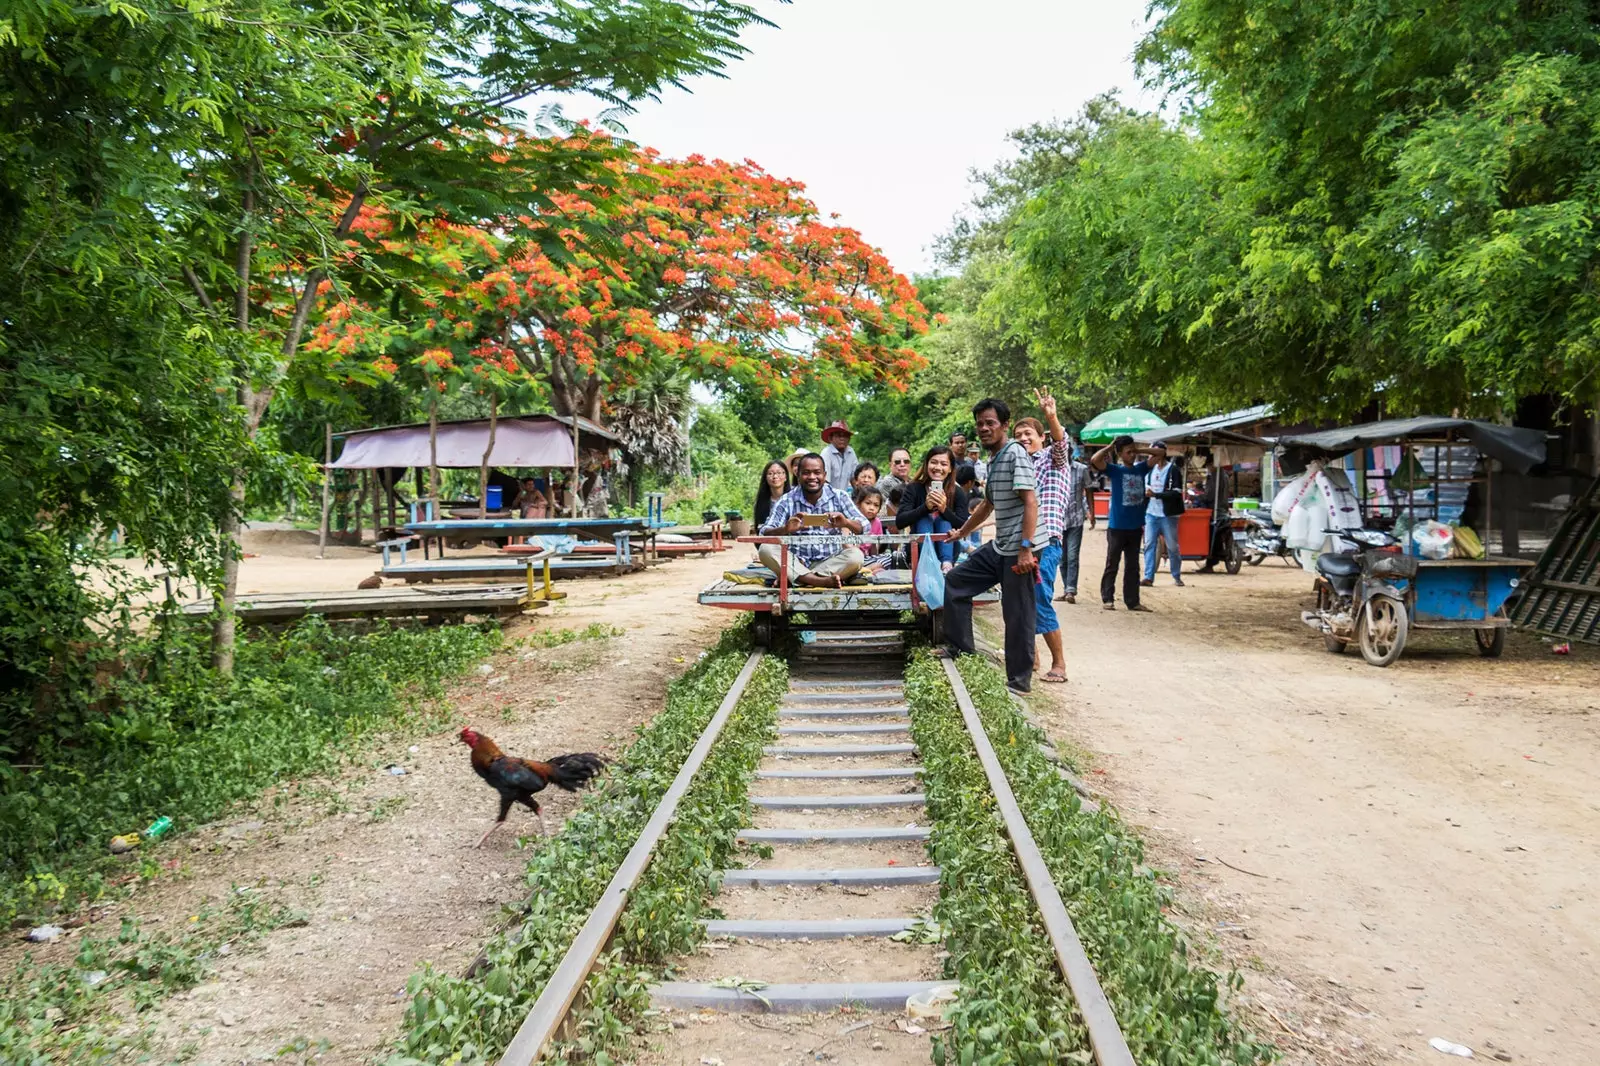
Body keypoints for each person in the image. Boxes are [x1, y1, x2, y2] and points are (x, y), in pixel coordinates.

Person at [941, 398, 1039, 694]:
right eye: (980, 424)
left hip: (1019, 548)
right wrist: (962, 532)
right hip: (1000, 546)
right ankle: (961, 651)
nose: (984, 429)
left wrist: (1026, 548)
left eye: (990, 423)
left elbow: (1030, 501)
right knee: (957, 581)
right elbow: (988, 504)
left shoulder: (1015, 454)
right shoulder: (994, 459)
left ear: (1005, 425)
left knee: (1017, 613)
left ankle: (1019, 682)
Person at [1012, 389, 1070, 684]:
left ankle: (1059, 664)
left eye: (1028, 433)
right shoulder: (1016, 466)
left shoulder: (1052, 459)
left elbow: (1061, 442)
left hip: (1046, 543)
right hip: (1019, 543)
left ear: (1041, 437)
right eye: (1018, 435)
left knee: (1040, 597)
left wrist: (1051, 415)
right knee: (1020, 597)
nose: (1023, 438)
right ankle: (1031, 656)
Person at [758, 453, 866, 587]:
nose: (812, 477)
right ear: (797, 475)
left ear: (824, 475)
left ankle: (797, 578)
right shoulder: (787, 500)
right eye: (806, 473)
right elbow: (764, 532)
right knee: (765, 549)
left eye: (817, 472)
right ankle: (818, 581)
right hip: (797, 561)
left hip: (831, 561)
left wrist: (846, 523)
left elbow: (864, 526)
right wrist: (785, 529)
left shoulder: (839, 496)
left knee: (856, 556)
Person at [1090, 435, 1155, 611]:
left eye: (1133, 451)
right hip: (1117, 527)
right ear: (1120, 454)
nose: (1132, 455)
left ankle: (1132, 601)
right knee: (1112, 563)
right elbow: (1095, 459)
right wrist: (1110, 446)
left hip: (1135, 527)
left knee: (1133, 566)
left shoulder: (1141, 469)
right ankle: (1107, 598)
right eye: (1128, 452)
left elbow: (1160, 453)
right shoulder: (1114, 470)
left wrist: (1140, 449)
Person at [895, 445, 971, 571]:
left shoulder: (957, 492)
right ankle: (931, 561)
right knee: (924, 519)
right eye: (934, 462)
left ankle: (946, 564)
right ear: (926, 465)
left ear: (950, 468)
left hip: (949, 551)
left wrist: (944, 509)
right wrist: (925, 507)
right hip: (919, 552)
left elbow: (964, 525)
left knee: (944, 521)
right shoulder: (914, 488)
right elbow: (900, 521)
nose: (938, 468)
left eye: (943, 464)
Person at [1140, 442, 1185, 587]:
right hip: (1151, 513)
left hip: (1168, 514)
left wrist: (1157, 495)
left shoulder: (1173, 470)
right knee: (1149, 544)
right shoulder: (1149, 470)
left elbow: (1177, 492)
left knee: (1172, 546)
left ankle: (1176, 575)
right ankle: (1148, 576)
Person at [1056, 445, 1095, 603]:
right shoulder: (1055, 469)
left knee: (1072, 556)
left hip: (1076, 518)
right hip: (1058, 519)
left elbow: (1089, 490)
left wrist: (1092, 513)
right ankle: (1067, 589)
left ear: (1071, 454)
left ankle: (1071, 589)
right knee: (1062, 557)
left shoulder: (1081, 469)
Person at [752, 460, 791, 531]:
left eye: (779, 473)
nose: (775, 476)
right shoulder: (761, 502)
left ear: (786, 477)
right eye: (770, 473)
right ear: (765, 478)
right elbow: (759, 527)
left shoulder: (792, 499)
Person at [820, 421, 859, 492]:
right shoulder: (826, 453)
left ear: (849, 439)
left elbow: (854, 478)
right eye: (838, 436)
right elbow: (824, 482)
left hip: (843, 496)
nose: (842, 438)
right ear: (831, 438)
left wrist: (859, 494)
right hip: (828, 495)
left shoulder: (851, 452)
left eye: (845, 436)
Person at [854, 485, 886, 554]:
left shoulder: (877, 523)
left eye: (876, 505)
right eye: (868, 503)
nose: (872, 508)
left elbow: (874, 553)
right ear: (858, 504)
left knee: (888, 559)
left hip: (867, 558)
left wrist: (874, 542)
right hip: (853, 557)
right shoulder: (853, 520)